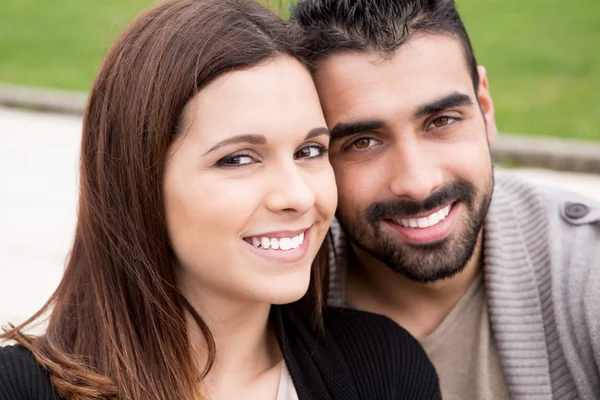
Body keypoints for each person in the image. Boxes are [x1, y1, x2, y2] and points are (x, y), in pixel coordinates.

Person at [0, 0, 442, 399]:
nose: (297, 195)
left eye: (309, 151)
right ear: (138, 183)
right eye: (239, 159)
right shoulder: (18, 388)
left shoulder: (384, 369)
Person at [290, 0, 600, 399]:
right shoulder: (269, 304)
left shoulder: (586, 265)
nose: (418, 184)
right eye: (362, 142)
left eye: (442, 121)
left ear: (485, 108)